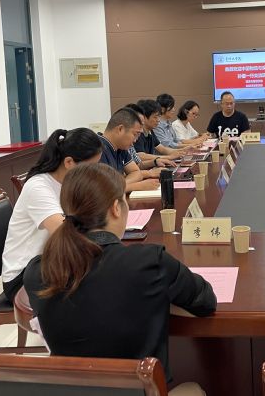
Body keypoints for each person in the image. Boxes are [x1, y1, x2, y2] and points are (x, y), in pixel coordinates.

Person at [23, 163, 217, 394]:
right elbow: (206, 301)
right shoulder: (150, 263)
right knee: (193, 388)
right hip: (142, 390)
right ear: (116, 208)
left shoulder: (37, 271)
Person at [1, 127, 103, 302]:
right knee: (99, 286)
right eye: (90, 167)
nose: (92, 174)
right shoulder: (38, 187)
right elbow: (65, 233)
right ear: (69, 162)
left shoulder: (69, 182)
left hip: (52, 261)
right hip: (24, 275)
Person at [100, 107, 160, 192]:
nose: (135, 140)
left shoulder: (121, 147)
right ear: (120, 129)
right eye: (135, 134)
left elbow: (135, 172)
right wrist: (136, 186)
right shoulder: (97, 148)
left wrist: (120, 186)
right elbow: (103, 190)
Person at [134, 99, 187, 164]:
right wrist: (169, 157)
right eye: (155, 117)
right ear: (144, 118)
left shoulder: (150, 131)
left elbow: (162, 149)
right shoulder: (138, 133)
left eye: (159, 117)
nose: (158, 120)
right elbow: (140, 156)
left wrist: (182, 151)